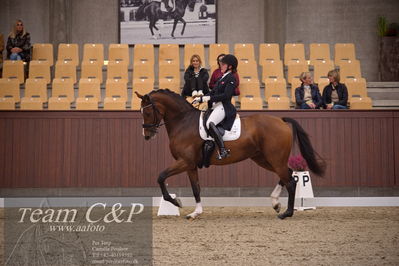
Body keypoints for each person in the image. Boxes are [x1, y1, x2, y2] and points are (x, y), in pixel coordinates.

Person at [193, 54, 238, 160]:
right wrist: (201, 98)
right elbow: (212, 93)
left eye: (223, 64)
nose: (221, 66)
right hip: (216, 105)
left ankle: (223, 150)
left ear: (230, 66)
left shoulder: (231, 78)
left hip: (224, 106)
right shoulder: (222, 77)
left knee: (210, 123)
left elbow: (226, 95)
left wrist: (207, 99)